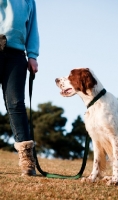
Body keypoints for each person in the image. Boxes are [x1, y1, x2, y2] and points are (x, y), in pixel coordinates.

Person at [0, 0, 39, 176]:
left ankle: (26, 159)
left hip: (16, 55)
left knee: (16, 104)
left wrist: (32, 55)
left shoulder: (29, 1)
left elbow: (32, 28)